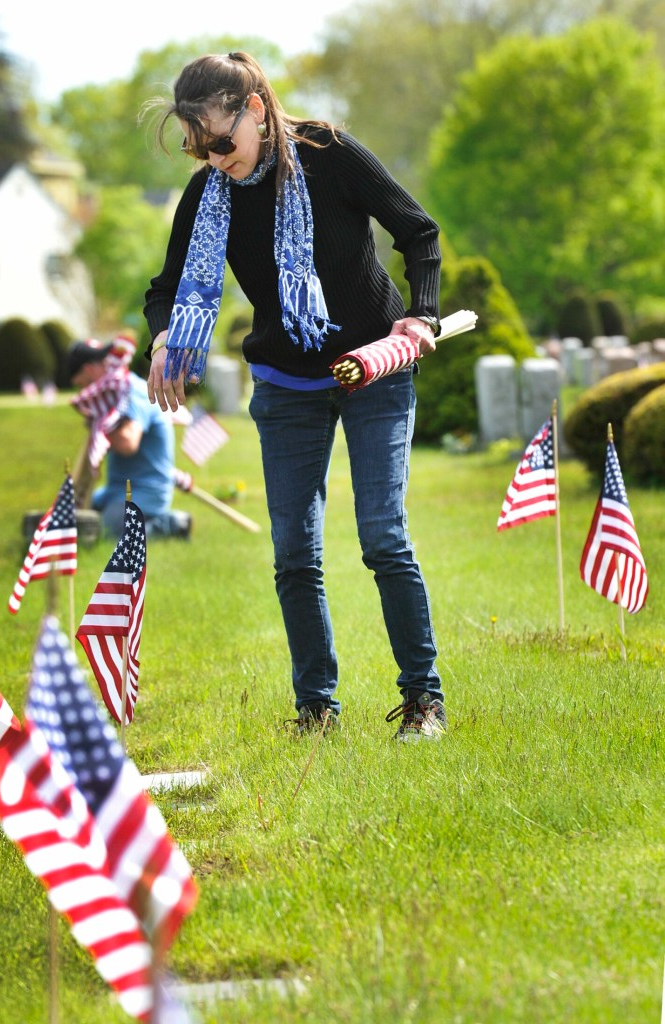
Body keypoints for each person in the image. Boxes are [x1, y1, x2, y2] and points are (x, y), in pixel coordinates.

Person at [143, 51, 444, 740]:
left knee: (382, 537)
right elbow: (165, 290)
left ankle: (423, 701)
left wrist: (419, 314)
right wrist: (164, 339)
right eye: (197, 147)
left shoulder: (329, 154)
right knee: (293, 555)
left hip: (373, 369)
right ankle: (316, 709)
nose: (214, 159)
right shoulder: (208, 193)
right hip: (285, 389)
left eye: (221, 141)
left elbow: (417, 231)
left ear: (255, 110)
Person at [67, 339, 192, 540]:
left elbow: (127, 443)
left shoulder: (134, 392)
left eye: (82, 384)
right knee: (76, 519)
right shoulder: (114, 396)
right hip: (116, 490)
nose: (83, 392)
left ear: (89, 370)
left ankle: (171, 524)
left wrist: (99, 425)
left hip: (146, 491)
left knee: (107, 531)